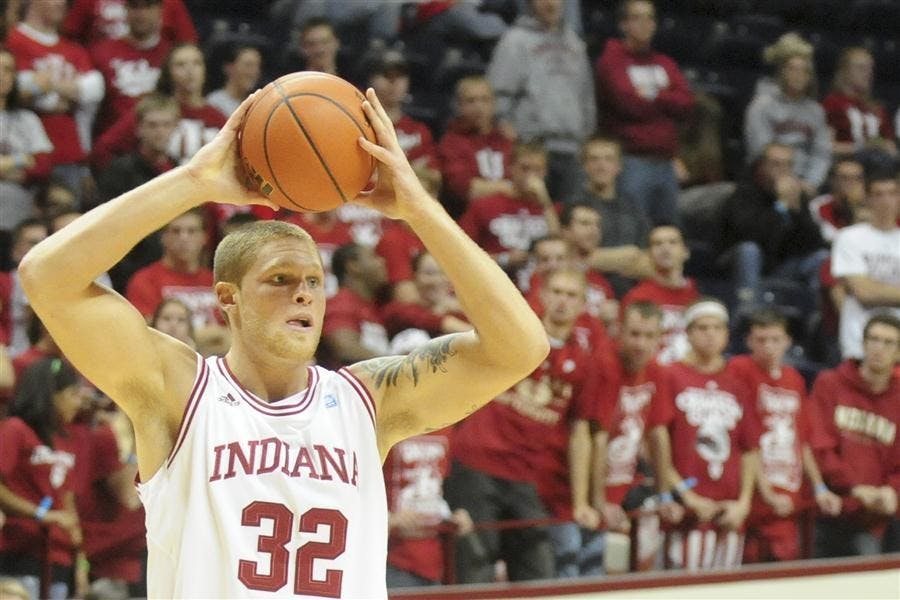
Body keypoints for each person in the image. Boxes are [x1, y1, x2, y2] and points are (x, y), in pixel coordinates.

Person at [17, 88, 550, 597]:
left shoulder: (367, 401)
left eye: (314, 282)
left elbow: (521, 348)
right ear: (228, 298)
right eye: (280, 280)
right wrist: (193, 181)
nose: (304, 296)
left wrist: (420, 209)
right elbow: (46, 276)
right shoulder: (179, 390)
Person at [446, 268, 600, 582]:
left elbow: (581, 431)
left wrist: (581, 501)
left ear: (583, 304)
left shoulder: (583, 361)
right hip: (477, 465)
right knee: (475, 572)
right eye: (556, 291)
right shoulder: (512, 335)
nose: (562, 301)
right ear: (541, 295)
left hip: (526, 478)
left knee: (539, 574)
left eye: (571, 295)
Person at [649, 299, 761, 570]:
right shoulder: (670, 375)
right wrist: (687, 496)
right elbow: (654, 442)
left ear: (726, 334)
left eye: (716, 328)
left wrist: (744, 503)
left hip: (729, 512)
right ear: (687, 333)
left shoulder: (738, 382)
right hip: (685, 512)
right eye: (702, 328)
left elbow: (749, 447)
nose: (710, 334)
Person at [729, 309, 841, 563]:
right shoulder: (739, 370)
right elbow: (746, 441)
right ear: (748, 342)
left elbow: (802, 440)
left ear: (788, 342)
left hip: (788, 495)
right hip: (755, 499)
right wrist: (767, 493)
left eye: (775, 339)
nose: (769, 347)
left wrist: (819, 487)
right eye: (761, 340)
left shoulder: (794, 378)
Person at [594, 0, 695, 226]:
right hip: (632, 161)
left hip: (666, 161)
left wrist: (652, 95)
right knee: (633, 228)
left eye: (650, 18)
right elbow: (628, 103)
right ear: (624, 24)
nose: (645, 24)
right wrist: (666, 98)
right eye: (637, 18)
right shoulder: (612, 60)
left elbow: (687, 104)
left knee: (669, 233)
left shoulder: (665, 63)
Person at [488, 0, 596, 205]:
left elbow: (586, 95)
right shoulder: (515, 40)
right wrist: (504, 123)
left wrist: (586, 134)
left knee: (567, 215)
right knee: (533, 211)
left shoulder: (574, 41)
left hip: (572, 148)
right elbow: (498, 90)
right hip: (534, 146)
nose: (550, 3)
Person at [809, 314, 900, 557]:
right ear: (863, 344)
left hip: (877, 517)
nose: (878, 348)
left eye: (888, 343)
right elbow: (819, 445)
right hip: (829, 507)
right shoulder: (830, 383)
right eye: (873, 340)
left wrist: (892, 491)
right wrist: (855, 487)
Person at [595, 302, 676, 569]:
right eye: (634, 334)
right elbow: (595, 437)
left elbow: (658, 433)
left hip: (621, 489)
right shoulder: (603, 365)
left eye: (649, 336)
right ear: (619, 331)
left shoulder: (656, 372)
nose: (640, 344)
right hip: (589, 495)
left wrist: (665, 493)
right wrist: (599, 500)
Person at [0, 358, 88, 600]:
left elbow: (67, 503)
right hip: (18, 552)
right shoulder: (15, 430)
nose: (78, 403)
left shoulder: (66, 438)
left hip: (58, 558)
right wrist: (40, 513)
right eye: (73, 394)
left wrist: (79, 563)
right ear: (52, 395)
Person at [6, 0, 104, 204]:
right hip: (25, 161)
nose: (62, 3)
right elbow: (12, 89)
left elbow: (95, 90)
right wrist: (66, 92)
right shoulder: (13, 40)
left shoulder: (73, 48)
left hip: (70, 155)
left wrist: (47, 87)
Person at [718, 143, 828, 313]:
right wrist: (781, 206)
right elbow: (752, 235)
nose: (782, 170)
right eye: (776, 164)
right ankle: (750, 315)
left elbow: (814, 243)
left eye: (788, 164)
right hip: (739, 264)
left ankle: (815, 320)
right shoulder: (744, 193)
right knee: (749, 250)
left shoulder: (796, 196)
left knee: (820, 258)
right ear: (762, 166)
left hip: (780, 268)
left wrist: (797, 211)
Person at [93, 43, 227, 169]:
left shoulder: (217, 117)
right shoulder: (153, 110)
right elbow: (104, 149)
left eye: (196, 63)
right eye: (180, 65)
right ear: (168, 72)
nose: (190, 71)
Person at [744, 33, 831, 195]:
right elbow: (760, 151)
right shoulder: (761, 105)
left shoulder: (816, 111)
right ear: (781, 72)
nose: (798, 75)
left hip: (806, 183)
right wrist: (784, 181)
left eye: (804, 71)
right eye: (792, 69)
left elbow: (822, 153)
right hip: (768, 182)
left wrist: (811, 183)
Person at [459, 141, 561, 279]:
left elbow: (559, 243)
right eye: (525, 168)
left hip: (541, 284)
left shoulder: (550, 209)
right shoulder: (485, 205)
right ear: (511, 168)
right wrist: (504, 259)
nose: (531, 175)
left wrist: (545, 201)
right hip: (495, 279)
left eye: (538, 170)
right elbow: (461, 252)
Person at [831, 170, 900, 359]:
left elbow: (869, 289)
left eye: (893, 193)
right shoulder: (849, 237)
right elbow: (864, 293)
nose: (886, 201)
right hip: (858, 342)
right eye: (878, 194)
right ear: (868, 199)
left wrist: (875, 288)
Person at [125, 207, 221, 331]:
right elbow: (151, 334)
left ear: (204, 238)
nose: (184, 238)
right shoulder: (145, 280)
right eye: (176, 231)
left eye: (191, 231)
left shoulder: (216, 281)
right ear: (163, 237)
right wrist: (213, 336)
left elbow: (232, 334)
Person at [88, 0, 172, 139]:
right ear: (125, 10)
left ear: (159, 10)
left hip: (161, 141)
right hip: (113, 145)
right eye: (135, 7)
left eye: (148, 6)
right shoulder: (101, 53)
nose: (141, 14)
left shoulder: (172, 55)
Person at [437, 75, 514, 217]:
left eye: (485, 100)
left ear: (494, 104)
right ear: (459, 106)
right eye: (471, 101)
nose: (479, 107)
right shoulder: (450, 143)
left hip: (510, 215)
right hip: (466, 218)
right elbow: (466, 189)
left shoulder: (507, 140)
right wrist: (510, 188)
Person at [621, 225, 698, 364]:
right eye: (658, 243)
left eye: (672, 242)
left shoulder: (697, 296)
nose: (665, 248)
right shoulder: (637, 296)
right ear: (649, 254)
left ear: (686, 252)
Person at [0, 46, 53, 232]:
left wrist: (5, 168)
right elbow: (32, 162)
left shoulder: (27, 119)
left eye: (8, 69)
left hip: (20, 214)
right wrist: (21, 159)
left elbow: (43, 166)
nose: (2, 75)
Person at [320, 242, 390, 367]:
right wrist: (395, 365)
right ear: (353, 266)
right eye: (373, 256)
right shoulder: (341, 303)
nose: (382, 261)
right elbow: (345, 348)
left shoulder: (371, 306)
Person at [821, 47, 897, 159]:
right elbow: (826, 146)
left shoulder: (877, 109)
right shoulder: (832, 103)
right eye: (861, 68)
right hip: (846, 165)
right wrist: (863, 147)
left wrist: (887, 147)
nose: (868, 74)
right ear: (845, 71)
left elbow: (890, 144)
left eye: (870, 69)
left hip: (879, 165)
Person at [62, 0, 196, 46]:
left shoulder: (171, 3)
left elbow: (188, 45)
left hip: (157, 74)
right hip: (104, 76)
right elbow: (68, 40)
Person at [808, 157, 868, 244]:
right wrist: (853, 208)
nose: (852, 183)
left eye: (857, 178)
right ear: (833, 180)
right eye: (845, 178)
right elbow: (829, 237)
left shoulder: (873, 206)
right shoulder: (819, 205)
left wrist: (860, 207)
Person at [206, 44, 262, 117]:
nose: (254, 72)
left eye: (257, 66)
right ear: (229, 68)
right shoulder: (214, 103)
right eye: (248, 65)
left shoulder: (257, 104)